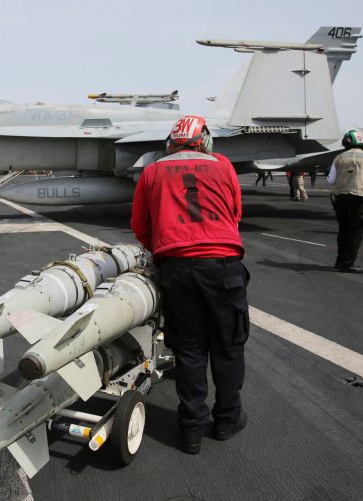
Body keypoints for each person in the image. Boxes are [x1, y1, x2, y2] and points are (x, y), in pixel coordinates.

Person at [131, 115, 249, 454]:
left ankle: (192, 430)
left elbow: (140, 225)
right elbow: (235, 213)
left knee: (189, 351)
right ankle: (226, 420)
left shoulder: (152, 171)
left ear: (172, 142)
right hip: (223, 269)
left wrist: (166, 250)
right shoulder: (223, 165)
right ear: (205, 140)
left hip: (177, 270)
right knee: (228, 348)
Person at [327, 130, 363, 273]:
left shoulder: (338, 157)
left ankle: (340, 261)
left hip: (339, 198)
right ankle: (348, 263)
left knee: (343, 230)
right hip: (357, 197)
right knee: (356, 231)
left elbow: (331, 180)